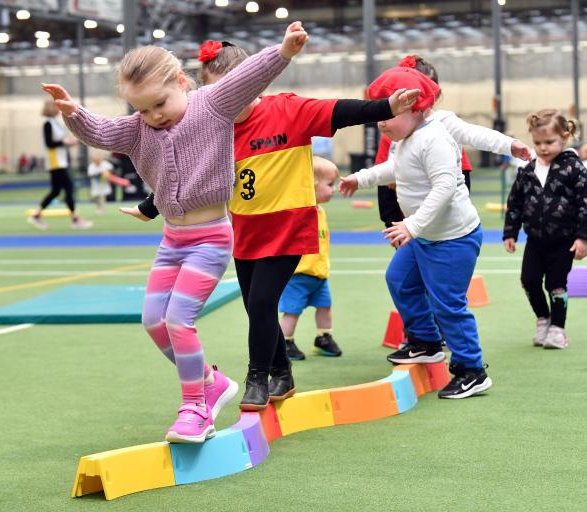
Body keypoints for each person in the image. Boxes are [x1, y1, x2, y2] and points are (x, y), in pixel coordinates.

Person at [42, 22, 309, 443]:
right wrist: (73, 113)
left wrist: (284, 51)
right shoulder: (138, 128)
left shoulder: (213, 105)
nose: (154, 116)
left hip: (210, 238)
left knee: (178, 321)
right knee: (153, 321)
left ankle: (196, 408)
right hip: (172, 240)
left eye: (160, 103)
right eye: (143, 109)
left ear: (181, 82)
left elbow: (248, 75)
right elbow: (102, 132)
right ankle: (211, 381)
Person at [125, 39, 421, 411]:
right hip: (243, 232)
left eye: (237, 87)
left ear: (255, 82)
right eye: (218, 90)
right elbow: (184, 176)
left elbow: (341, 111)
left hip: (288, 230)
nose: (229, 97)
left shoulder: (289, 110)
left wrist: (388, 106)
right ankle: (283, 372)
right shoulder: (208, 126)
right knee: (255, 307)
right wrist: (151, 207)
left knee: (264, 304)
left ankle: (257, 377)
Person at [340, 66, 492, 399]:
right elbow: (395, 168)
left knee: (448, 304)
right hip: (426, 236)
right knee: (400, 279)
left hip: (451, 239)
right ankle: (425, 341)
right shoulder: (406, 139)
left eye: (389, 114)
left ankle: (472, 370)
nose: (381, 122)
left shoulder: (434, 138)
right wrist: (360, 178)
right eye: (380, 113)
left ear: (416, 109)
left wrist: (411, 225)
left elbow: (445, 188)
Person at [374, 55, 532, 229]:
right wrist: (391, 221)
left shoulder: (444, 123)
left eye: (425, 89)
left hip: (444, 223)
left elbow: (474, 135)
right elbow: (384, 179)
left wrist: (509, 145)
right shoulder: (392, 133)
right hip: (409, 223)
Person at [503, 110, 587, 349]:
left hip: (564, 240)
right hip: (535, 240)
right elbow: (515, 201)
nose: (543, 148)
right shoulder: (528, 169)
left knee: (555, 283)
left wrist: (583, 237)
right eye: (537, 142)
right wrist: (510, 231)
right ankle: (543, 319)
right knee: (529, 280)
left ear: (565, 137)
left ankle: (558, 329)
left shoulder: (573, 168)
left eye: (549, 142)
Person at [278, 156, 341, 361]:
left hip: (318, 274)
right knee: (292, 311)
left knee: (325, 306)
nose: (334, 189)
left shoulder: (320, 211)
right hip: (298, 275)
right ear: (312, 184)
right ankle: (284, 342)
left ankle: (323, 337)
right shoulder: (300, 211)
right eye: (330, 184)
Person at [28, 99, 92, 230]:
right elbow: (49, 144)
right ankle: (75, 219)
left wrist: (68, 142)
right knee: (68, 188)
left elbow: (59, 141)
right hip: (55, 162)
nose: (59, 109)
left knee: (56, 191)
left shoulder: (55, 123)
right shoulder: (47, 123)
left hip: (60, 161)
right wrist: (65, 143)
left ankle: (36, 215)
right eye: (56, 107)